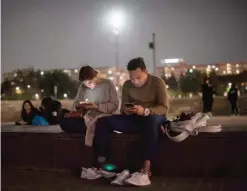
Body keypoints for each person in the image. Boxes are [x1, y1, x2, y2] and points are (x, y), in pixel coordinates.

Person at [81, 58, 169, 186]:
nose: (135, 81)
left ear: (146, 71)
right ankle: (102, 163)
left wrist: (145, 111)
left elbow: (164, 108)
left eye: (138, 77)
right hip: (134, 118)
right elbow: (123, 109)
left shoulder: (157, 82)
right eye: (132, 78)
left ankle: (145, 170)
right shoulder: (127, 85)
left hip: (154, 117)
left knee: (151, 121)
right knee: (103, 121)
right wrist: (129, 110)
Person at [60, 65, 119, 133]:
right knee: (65, 122)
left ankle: (92, 129)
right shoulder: (82, 87)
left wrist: (97, 106)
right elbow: (75, 104)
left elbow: (115, 105)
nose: (88, 86)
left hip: (103, 118)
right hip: (87, 119)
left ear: (95, 77)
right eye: (85, 84)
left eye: (90, 83)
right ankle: (91, 129)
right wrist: (79, 105)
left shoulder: (107, 84)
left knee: (102, 124)